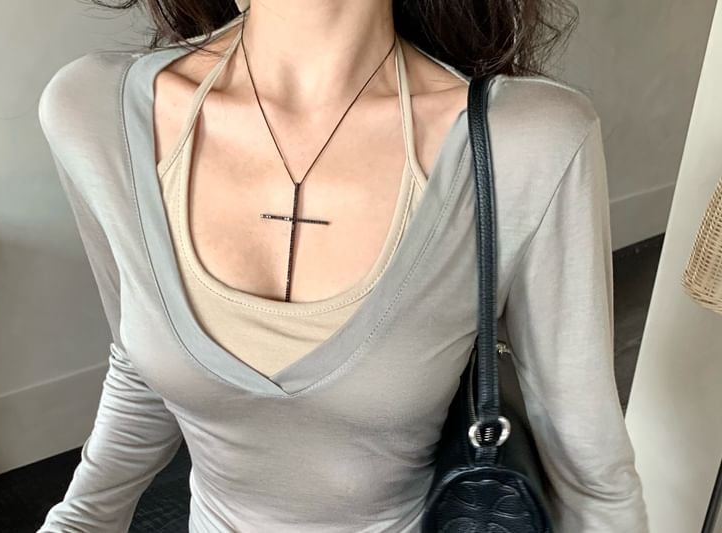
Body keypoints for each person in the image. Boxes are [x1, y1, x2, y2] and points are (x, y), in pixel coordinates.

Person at [36, 0, 650, 531]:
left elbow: (592, 482)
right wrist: (79, 518)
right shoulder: (95, 112)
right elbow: (141, 367)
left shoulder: (527, 141)